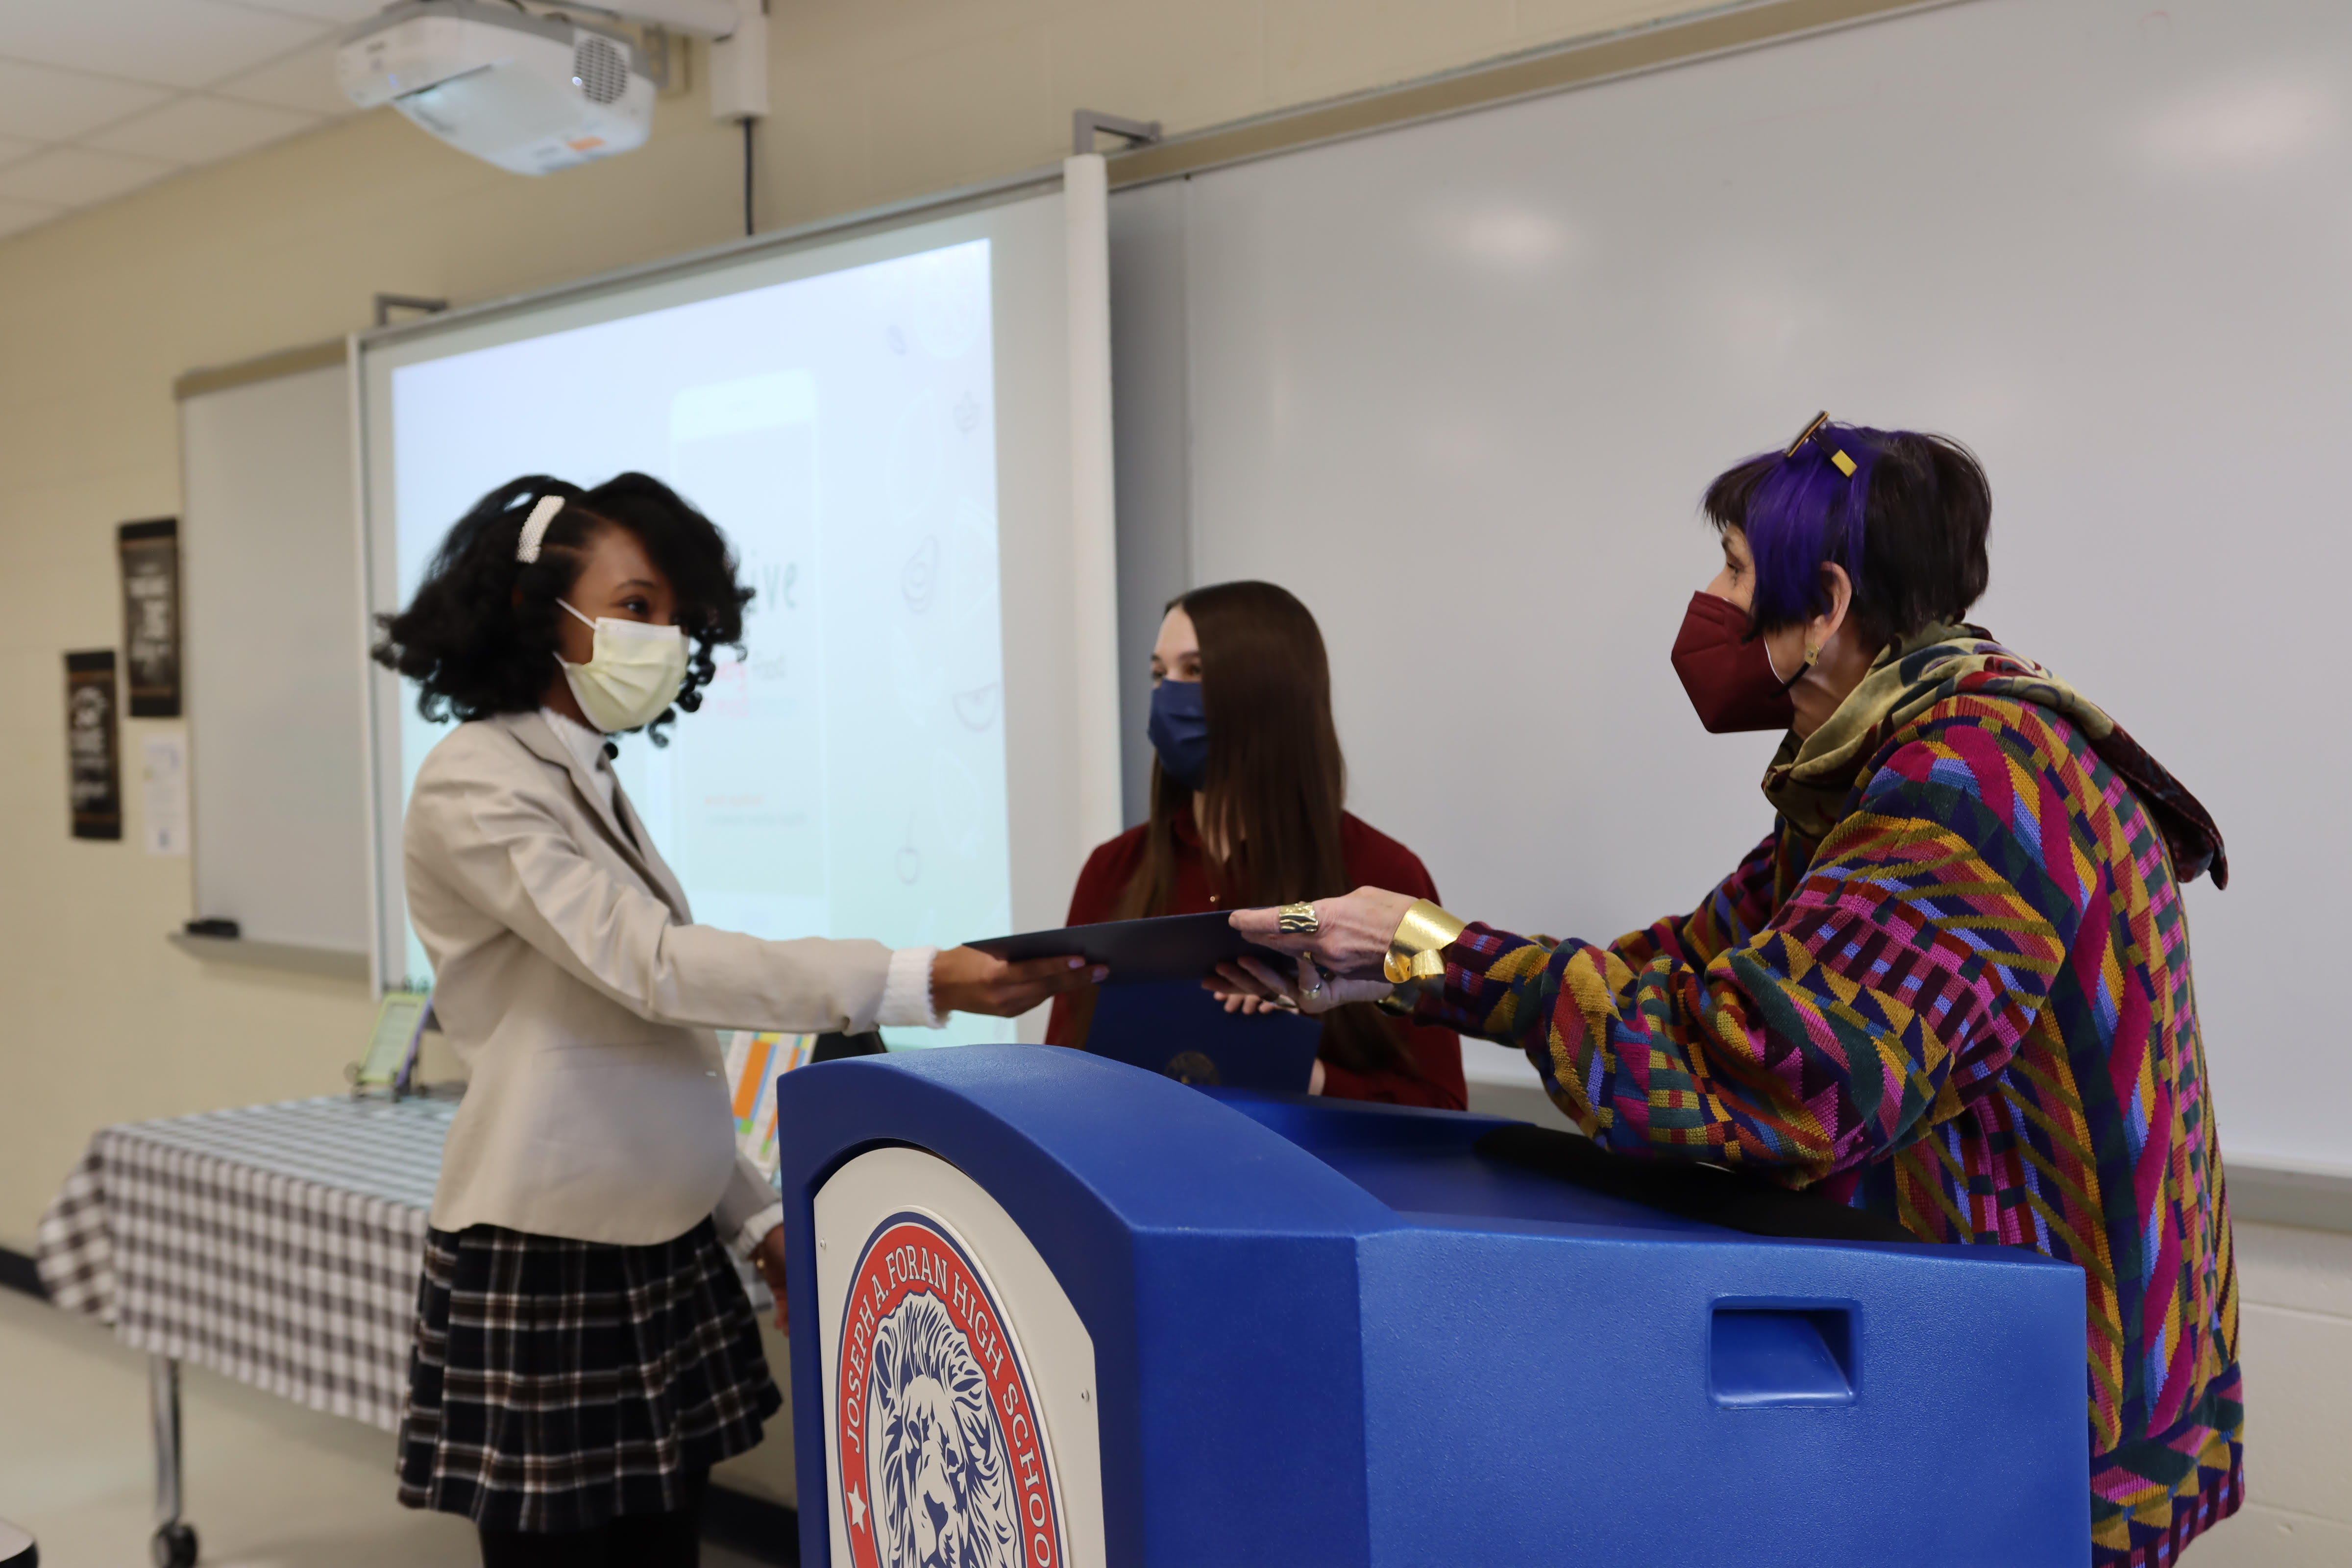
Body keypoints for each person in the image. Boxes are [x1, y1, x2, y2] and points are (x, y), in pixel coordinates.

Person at [1222, 419, 2240, 1567]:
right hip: (1996, 1384)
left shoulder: (1972, 784)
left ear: (1828, 599)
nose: (1709, 602)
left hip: (2046, 1427)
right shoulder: (1889, 767)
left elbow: (1766, 1069)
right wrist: (1398, 963)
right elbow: (1685, 967)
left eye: (1734, 567)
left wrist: (1442, 950)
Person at [371, 473, 1097, 1565]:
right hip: (555, 1242)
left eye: (675, 616)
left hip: (655, 1229)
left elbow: (649, 1047)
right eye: (636, 606)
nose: (664, 640)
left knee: (664, 1548)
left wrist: (753, 1219)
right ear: (534, 610)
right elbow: (654, 970)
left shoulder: (583, 775)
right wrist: (919, 978)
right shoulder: (477, 779)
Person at [1049, 580, 1464, 1109]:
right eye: (1158, 673)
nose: (1166, 693)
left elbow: (1443, 1106)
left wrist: (1303, 1073)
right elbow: (1059, 1075)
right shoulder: (1112, 869)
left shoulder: (1387, 874)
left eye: (1194, 671)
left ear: (1272, 692)